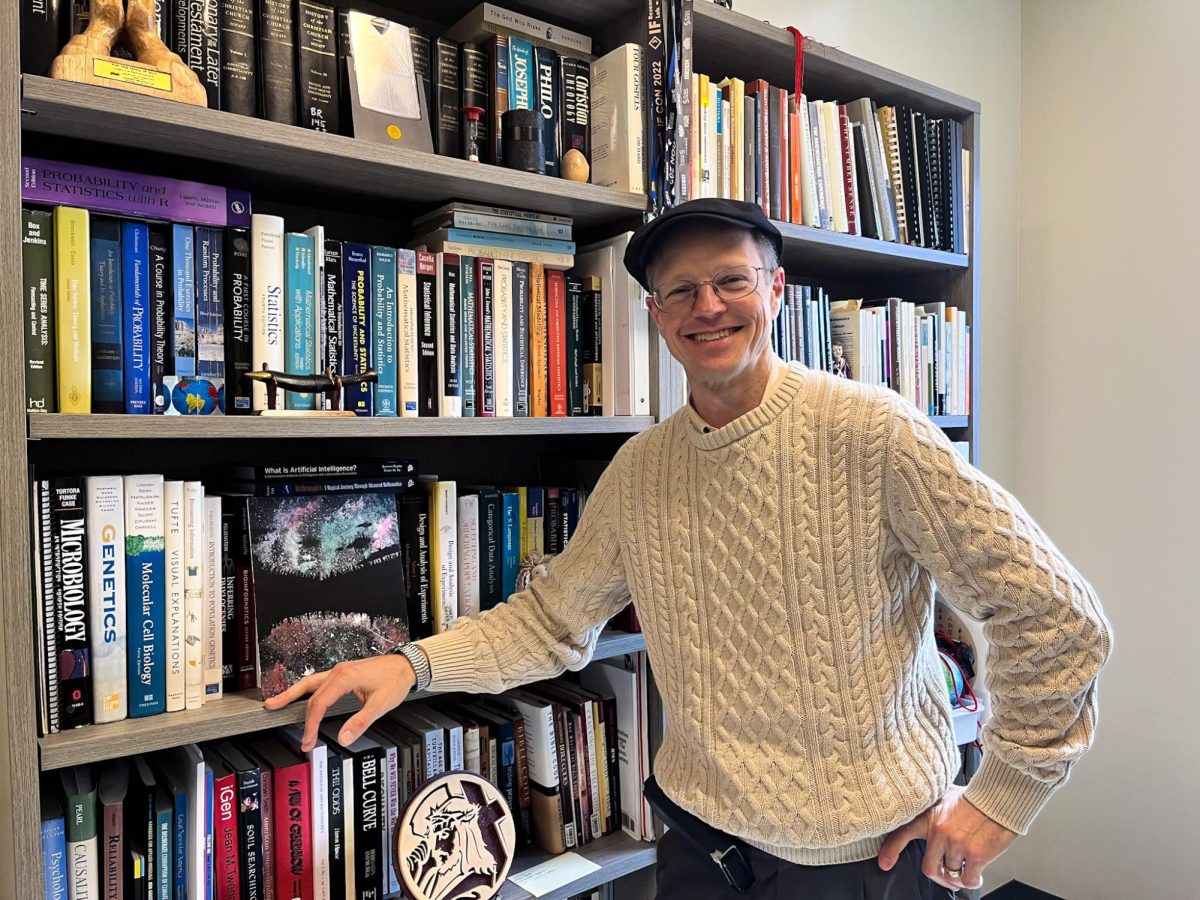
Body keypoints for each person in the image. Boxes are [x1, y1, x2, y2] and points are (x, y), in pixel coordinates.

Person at [266, 199, 1112, 898]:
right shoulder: (639, 470)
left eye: (730, 280)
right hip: (698, 845)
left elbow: (1056, 614)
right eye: (680, 291)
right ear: (656, 317)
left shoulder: (876, 431)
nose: (707, 305)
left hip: (870, 859)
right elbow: (551, 622)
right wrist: (411, 666)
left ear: (775, 290)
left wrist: (1005, 793)